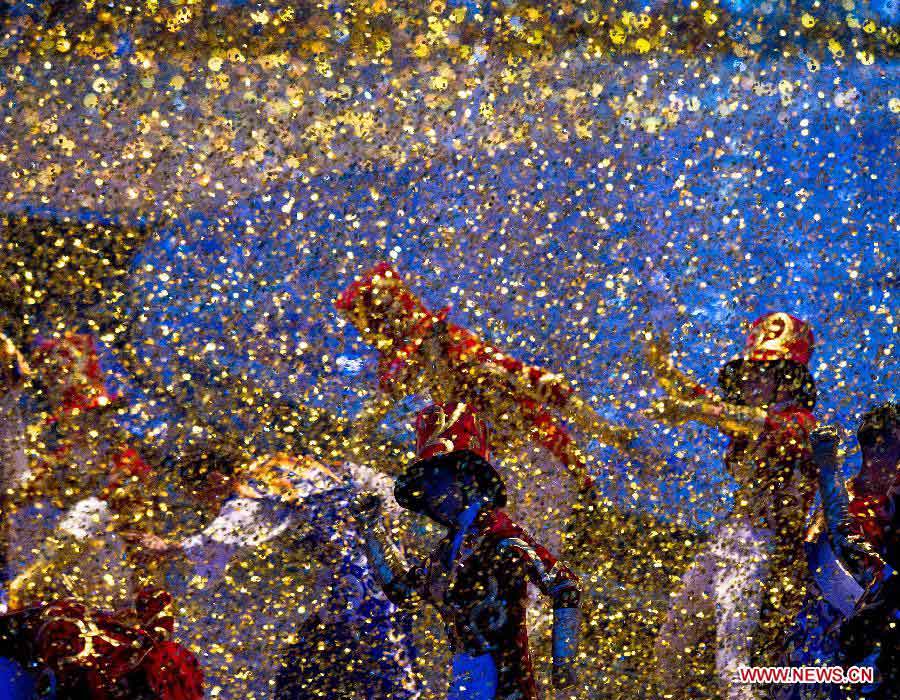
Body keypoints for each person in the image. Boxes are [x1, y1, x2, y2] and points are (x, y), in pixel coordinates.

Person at [126, 449, 421, 700]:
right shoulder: (292, 463)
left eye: (201, 494)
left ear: (215, 477)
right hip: (386, 565)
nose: (207, 504)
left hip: (355, 583)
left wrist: (169, 548)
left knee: (374, 659)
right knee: (334, 651)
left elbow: (229, 534)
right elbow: (384, 488)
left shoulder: (251, 489)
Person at [352, 401, 583, 700]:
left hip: (505, 685)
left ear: (470, 478)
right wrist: (372, 529)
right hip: (466, 679)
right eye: (428, 486)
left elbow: (565, 584)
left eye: (440, 480)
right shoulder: (448, 553)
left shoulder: (503, 538)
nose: (434, 495)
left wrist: (563, 661)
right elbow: (405, 591)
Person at [645, 312, 818, 698]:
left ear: (788, 380)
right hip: (733, 535)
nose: (751, 380)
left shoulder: (803, 425)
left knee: (734, 662)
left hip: (767, 547)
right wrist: (660, 363)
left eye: (764, 372)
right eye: (750, 372)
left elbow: (752, 423)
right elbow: (704, 401)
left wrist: (693, 411)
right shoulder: (749, 416)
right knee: (673, 642)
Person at [810, 403, 899, 699]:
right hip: (833, 622)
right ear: (874, 450)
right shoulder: (850, 497)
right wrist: (828, 468)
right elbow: (825, 545)